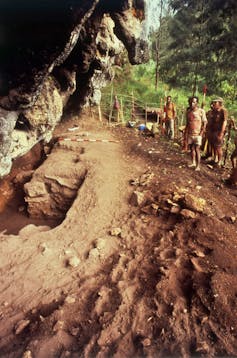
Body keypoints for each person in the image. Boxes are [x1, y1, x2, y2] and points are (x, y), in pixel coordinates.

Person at [184, 96, 207, 171]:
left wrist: (201, 132)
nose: (192, 104)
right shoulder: (188, 112)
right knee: (191, 148)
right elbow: (188, 123)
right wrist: (185, 134)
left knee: (197, 149)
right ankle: (193, 162)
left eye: (193, 102)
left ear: (197, 103)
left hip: (198, 134)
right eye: (190, 102)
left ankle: (198, 165)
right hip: (190, 133)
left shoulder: (201, 111)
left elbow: (205, 122)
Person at [208, 97, 228, 167]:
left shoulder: (223, 111)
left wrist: (221, 133)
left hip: (219, 131)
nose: (214, 104)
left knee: (218, 146)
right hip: (213, 130)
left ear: (220, 103)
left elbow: (224, 122)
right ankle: (215, 159)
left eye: (215, 103)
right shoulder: (214, 111)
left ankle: (219, 161)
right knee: (214, 145)